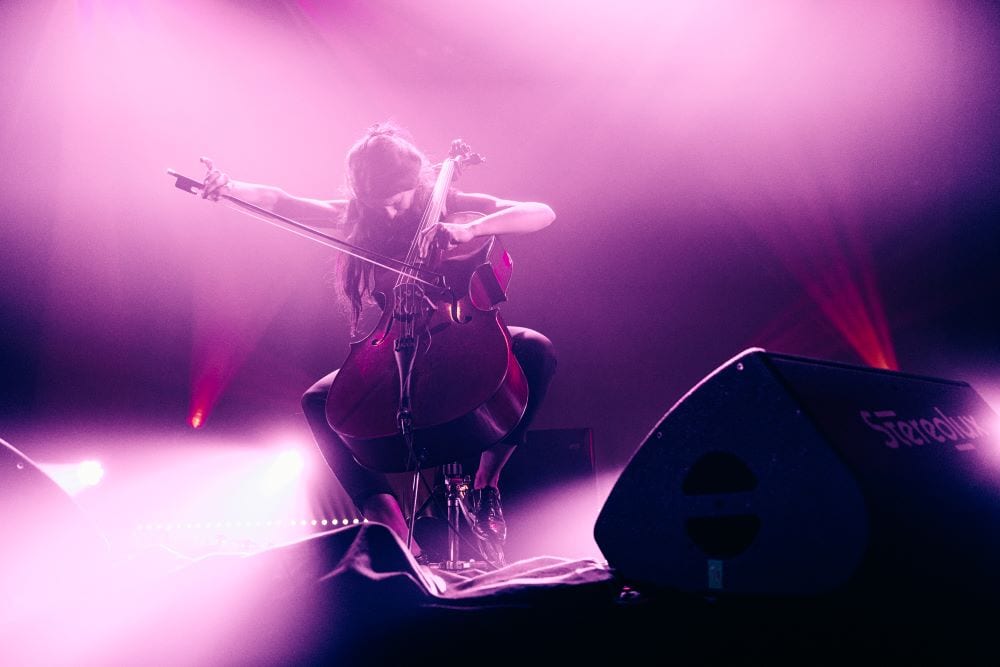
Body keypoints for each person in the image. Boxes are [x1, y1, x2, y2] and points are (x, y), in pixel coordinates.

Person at [200, 122, 557, 566]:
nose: (387, 213)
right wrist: (230, 186)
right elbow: (283, 202)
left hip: (459, 336)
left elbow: (541, 212)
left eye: (396, 201)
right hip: (396, 344)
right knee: (320, 403)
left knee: (535, 350)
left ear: (417, 182)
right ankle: (385, 515)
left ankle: (488, 481)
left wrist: (471, 230)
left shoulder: (450, 203)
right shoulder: (359, 216)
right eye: (376, 204)